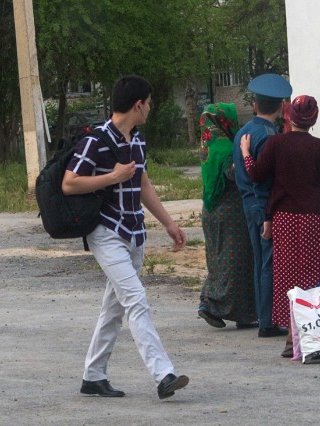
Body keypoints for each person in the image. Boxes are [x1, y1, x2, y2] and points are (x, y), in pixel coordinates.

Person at [62, 75, 189, 400]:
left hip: (135, 233)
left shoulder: (137, 140)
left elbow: (143, 184)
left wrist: (169, 224)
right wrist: (112, 177)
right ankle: (164, 375)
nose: (149, 108)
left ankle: (93, 375)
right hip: (106, 232)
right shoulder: (96, 140)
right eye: (148, 103)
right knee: (135, 300)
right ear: (138, 104)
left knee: (115, 307)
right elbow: (70, 183)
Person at [240, 95, 320, 356]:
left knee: (288, 275)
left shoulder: (276, 143)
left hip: (285, 219)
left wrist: (245, 153)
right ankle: (318, 334)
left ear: (289, 117)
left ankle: (291, 336)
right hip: (317, 219)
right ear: (314, 119)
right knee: (319, 274)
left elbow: (257, 175)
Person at [233, 74, 293, 338]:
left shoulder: (242, 133)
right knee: (269, 262)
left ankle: (262, 315)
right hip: (263, 205)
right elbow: (270, 178)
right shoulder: (269, 137)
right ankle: (267, 322)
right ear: (281, 107)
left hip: (247, 202)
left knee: (260, 261)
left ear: (255, 105)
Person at [197, 103, 258, 329]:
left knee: (219, 259)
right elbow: (232, 173)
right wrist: (246, 154)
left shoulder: (208, 145)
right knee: (235, 260)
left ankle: (241, 312)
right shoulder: (224, 147)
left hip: (211, 211)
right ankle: (212, 304)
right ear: (224, 121)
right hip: (230, 212)